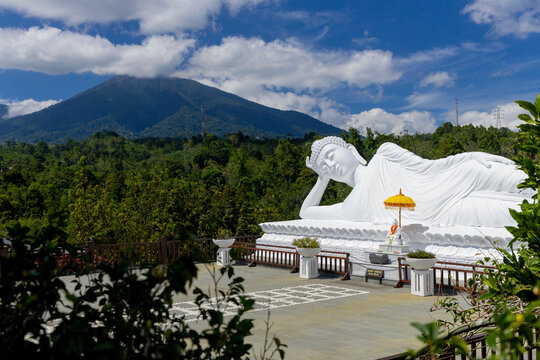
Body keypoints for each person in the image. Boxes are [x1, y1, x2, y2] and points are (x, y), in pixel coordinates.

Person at [300, 136, 532, 228]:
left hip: (461, 176)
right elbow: (306, 212)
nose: (330, 165)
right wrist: (322, 180)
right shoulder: (350, 206)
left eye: (330, 156)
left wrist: (471, 156)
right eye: (324, 167)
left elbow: (430, 166)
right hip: (444, 214)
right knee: (522, 215)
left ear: (351, 149)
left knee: (526, 182)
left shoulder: (385, 153)